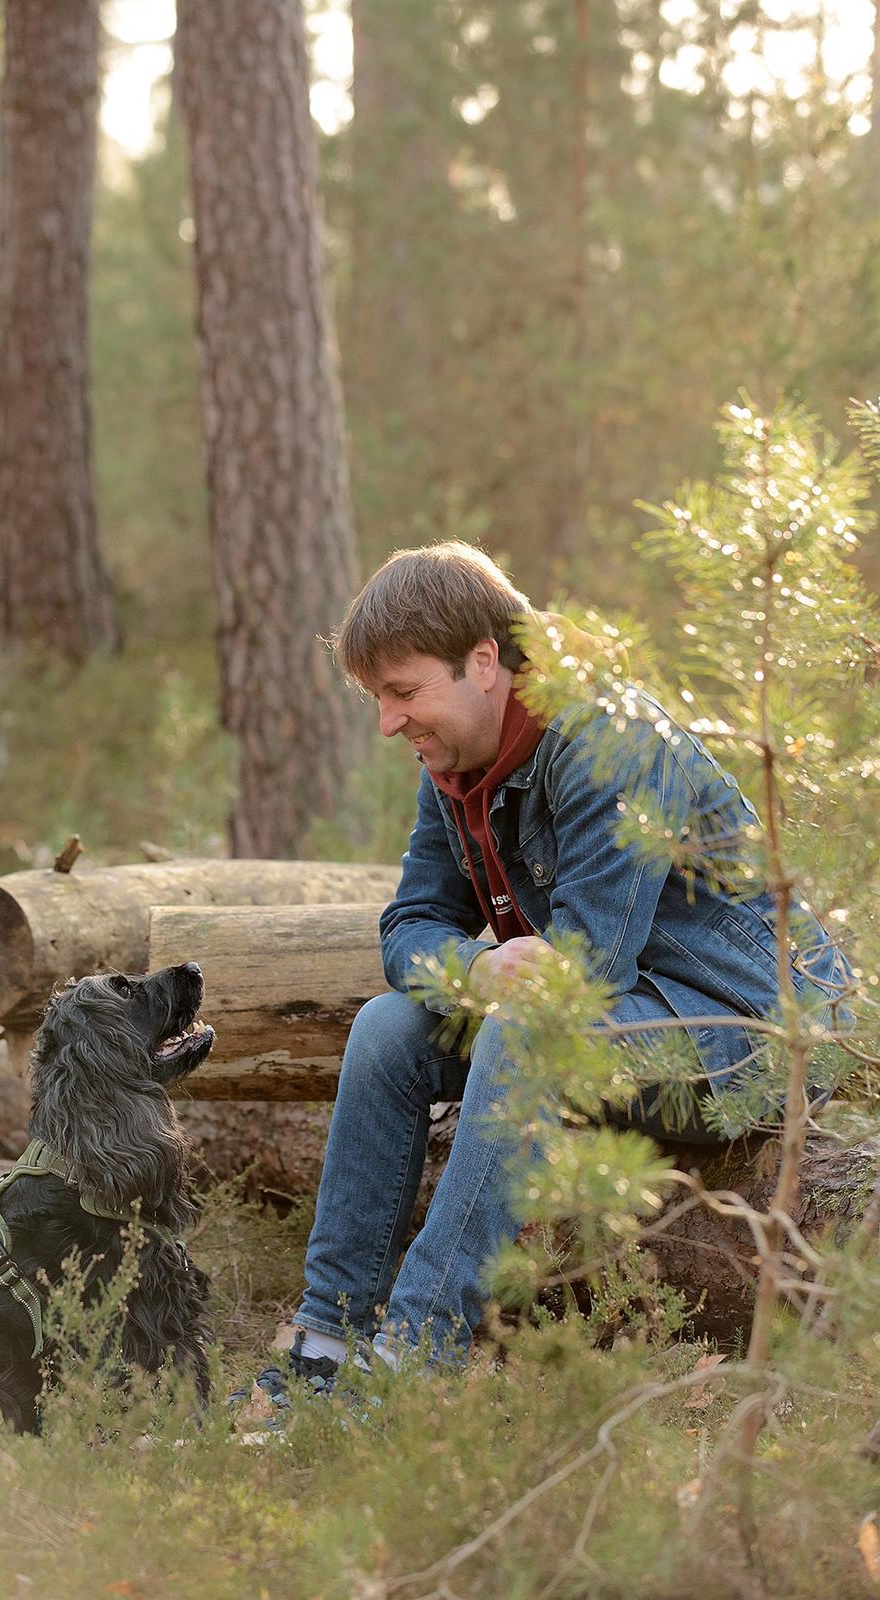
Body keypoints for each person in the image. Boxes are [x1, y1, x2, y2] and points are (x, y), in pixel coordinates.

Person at [249, 541, 845, 1399]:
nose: (388, 723)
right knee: (387, 1030)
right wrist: (476, 970)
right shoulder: (454, 761)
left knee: (526, 1034)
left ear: (483, 662)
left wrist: (512, 986)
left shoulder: (608, 738)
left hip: (750, 1037)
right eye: (378, 698)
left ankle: (413, 1362)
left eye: (403, 693)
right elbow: (409, 926)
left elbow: (587, 967)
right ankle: (325, 1346)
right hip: (629, 1017)